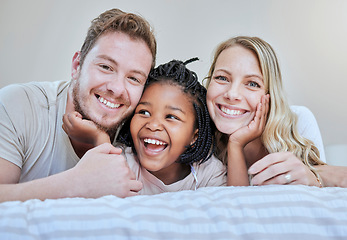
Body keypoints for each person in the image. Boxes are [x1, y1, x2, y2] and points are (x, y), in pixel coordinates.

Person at [0, 8, 157, 202]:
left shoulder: (141, 136)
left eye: (133, 78)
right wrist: (76, 184)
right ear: (77, 65)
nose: (117, 89)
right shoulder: (19, 105)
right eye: (106, 67)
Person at [62, 59, 227, 195]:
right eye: (144, 112)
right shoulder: (123, 161)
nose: (153, 125)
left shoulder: (209, 173)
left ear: (194, 136)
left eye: (171, 117)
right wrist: (100, 137)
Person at [205, 36, 331, 187]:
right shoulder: (198, 140)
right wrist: (236, 144)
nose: (232, 94)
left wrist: (316, 180)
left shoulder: (298, 121)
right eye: (222, 78)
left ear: (270, 94)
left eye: (252, 83)